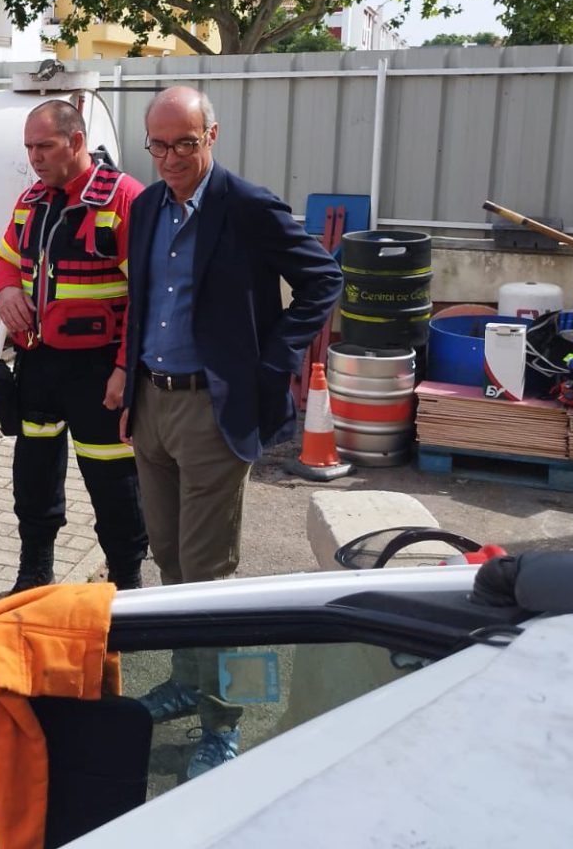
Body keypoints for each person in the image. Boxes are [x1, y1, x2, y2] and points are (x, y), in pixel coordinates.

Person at [121, 87, 341, 779]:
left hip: (211, 410)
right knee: (168, 557)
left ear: (211, 136)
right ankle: (188, 680)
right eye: (159, 145)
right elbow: (141, 302)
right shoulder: (146, 207)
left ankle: (222, 721)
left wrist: (271, 361)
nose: (170, 158)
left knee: (208, 572)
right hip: (152, 403)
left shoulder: (247, 205)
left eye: (185, 144)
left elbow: (322, 279)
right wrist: (128, 383)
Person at [0, 99, 148, 593]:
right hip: (38, 365)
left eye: (45, 146)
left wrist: (124, 369)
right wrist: (6, 291)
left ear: (77, 141)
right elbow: (6, 261)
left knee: (112, 479)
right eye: (29, 147)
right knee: (34, 475)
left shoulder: (124, 199)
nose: (34, 157)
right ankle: (34, 571)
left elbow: (148, 297)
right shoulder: (30, 200)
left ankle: (127, 578)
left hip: (99, 372)